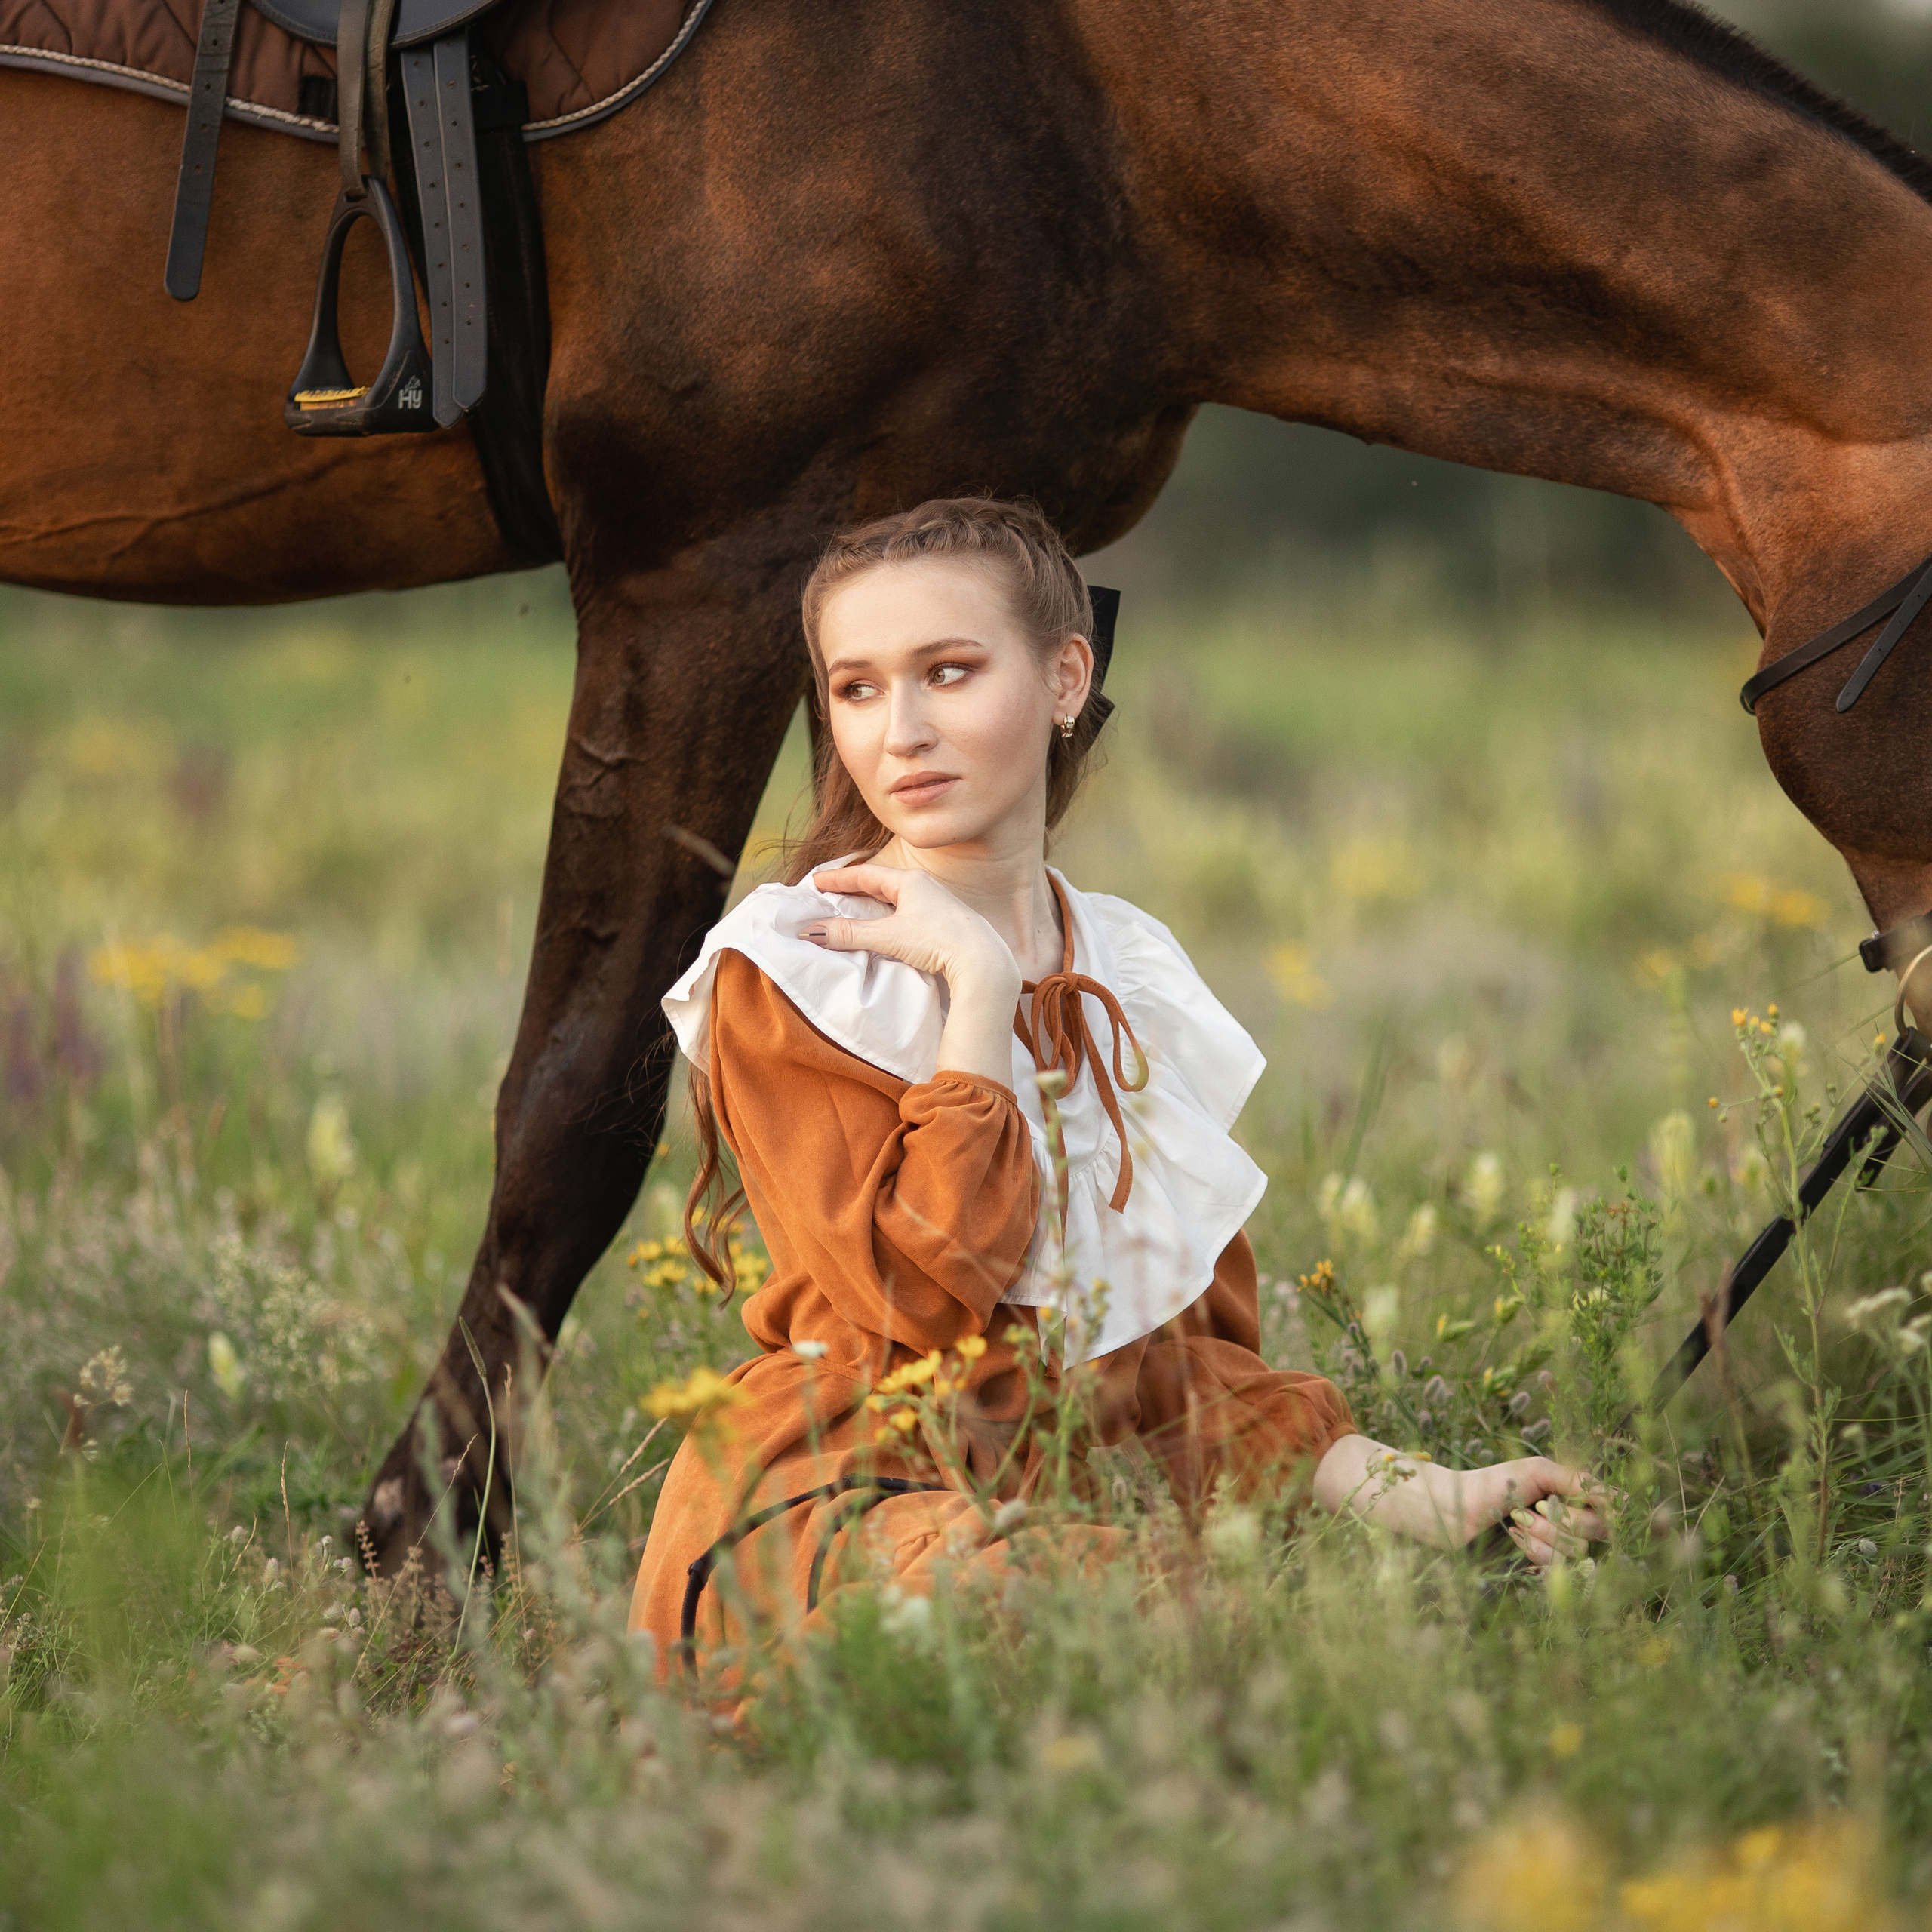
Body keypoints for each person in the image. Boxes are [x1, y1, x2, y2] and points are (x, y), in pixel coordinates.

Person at [628, 497, 1604, 1671]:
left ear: (1063, 678)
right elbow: (916, 1316)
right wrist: (977, 1001)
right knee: (1148, 1616)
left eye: (949, 671)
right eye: (858, 688)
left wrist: (1420, 1490)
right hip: (845, 1504)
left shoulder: (1123, 971)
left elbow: (1170, 1369)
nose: (901, 732)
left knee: (1214, 1617)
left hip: (1069, 1519)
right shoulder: (796, 968)